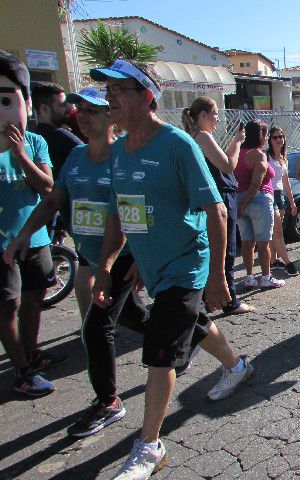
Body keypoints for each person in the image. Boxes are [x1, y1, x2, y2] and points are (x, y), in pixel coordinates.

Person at [88, 59, 254, 478]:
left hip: (188, 262)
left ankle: (149, 446)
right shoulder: (118, 154)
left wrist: (217, 277)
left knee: (160, 351)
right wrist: (110, 263)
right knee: (194, 323)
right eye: (107, 93)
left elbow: (216, 209)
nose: (109, 100)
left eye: (117, 92)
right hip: (154, 264)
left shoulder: (178, 145)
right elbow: (118, 214)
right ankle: (236, 367)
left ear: (146, 97)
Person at [0, 51, 61, 397]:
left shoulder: (35, 142)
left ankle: (31, 352)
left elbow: (48, 188)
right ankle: (21, 371)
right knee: (8, 304)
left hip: (35, 235)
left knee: (35, 297)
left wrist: (20, 155)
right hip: (2, 244)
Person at [181, 96, 254, 313]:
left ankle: (209, 298)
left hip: (205, 199)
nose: (217, 118)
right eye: (214, 113)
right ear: (202, 115)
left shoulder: (192, 136)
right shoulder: (202, 136)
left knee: (210, 249)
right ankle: (228, 300)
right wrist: (238, 141)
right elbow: (227, 165)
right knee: (226, 249)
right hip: (219, 197)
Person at [31, 82, 84, 244]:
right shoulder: (59, 135)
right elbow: (91, 153)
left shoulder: (35, 138)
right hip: (71, 207)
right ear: (44, 109)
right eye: (62, 105)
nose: (68, 109)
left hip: (52, 208)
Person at [235, 119, 284, 289]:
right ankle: (265, 277)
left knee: (247, 242)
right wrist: (244, 203)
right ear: (261, 135)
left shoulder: (236, 153)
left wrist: (240, 204)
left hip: (239, 198)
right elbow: (256, 183)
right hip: (259, 199)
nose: (267, 137)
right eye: (265, 133)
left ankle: (249, 277)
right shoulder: (258, 155)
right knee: (263, 242)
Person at [267, 126, 299, 275]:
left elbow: (286, 183)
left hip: (280, 196)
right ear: (269, 140)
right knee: (278, 231)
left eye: (281, 137)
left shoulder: (283, 159)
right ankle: (288, 263)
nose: (279, 139)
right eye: (275, 137)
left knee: (276, 232)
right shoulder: (266, 157)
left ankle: (273, 261)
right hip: (269, 194)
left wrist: (292, 203)